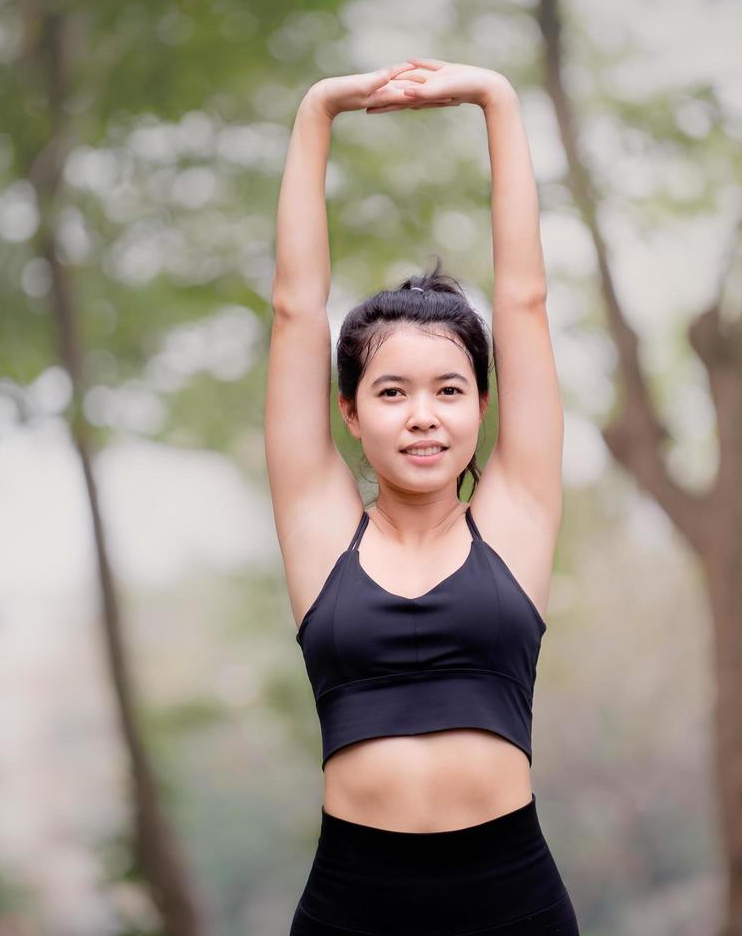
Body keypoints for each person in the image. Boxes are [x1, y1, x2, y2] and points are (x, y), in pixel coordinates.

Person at [265, 57, 576, 936]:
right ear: (350, 415)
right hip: (354, 900)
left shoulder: (517, 517)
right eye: (391, 393)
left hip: (510, 894)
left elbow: (524, 298)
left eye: (449, 389)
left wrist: (495, 99)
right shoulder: (318, 530)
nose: (423, 417)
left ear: (484, 404)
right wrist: (319, 107)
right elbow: (296, 307)